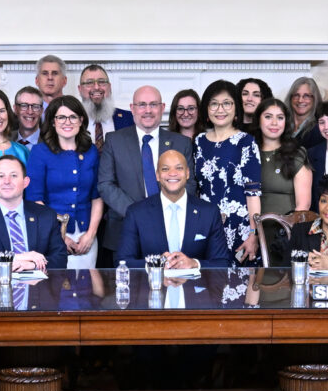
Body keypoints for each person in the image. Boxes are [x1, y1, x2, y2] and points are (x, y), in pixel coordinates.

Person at [98, 85, 195, 259]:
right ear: (132, 108)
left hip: (172, 232)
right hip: (123, 230)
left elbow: (190, 184)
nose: (148, 110)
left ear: (162, 108)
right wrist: (139, 214)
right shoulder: (114, 140)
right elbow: (106, 184)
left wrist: (162, 212)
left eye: (153, 104)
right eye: (142, 105)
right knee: (126, 285)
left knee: (174, 285)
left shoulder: (182, 143)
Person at [117, 149, 231, 268]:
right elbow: (123, 261)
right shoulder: (136, 212)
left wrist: (194, 263)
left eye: (179, 168)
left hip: (195, 286)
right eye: (165, 169)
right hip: (152, 285)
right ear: (157, 175)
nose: (172, 173)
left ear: (187, 173)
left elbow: (222, 262)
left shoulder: (209, 212)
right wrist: (155, 264)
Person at [27, 95, 102, 268]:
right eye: (61, 117)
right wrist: (60, 235)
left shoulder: (91, 151)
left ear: (81, 120)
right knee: (54, 290)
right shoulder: (40, 152)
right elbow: (35, 200)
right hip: (51, 235)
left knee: (87, 288)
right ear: (53, 122)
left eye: (73, 117)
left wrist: (91, 234)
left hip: (86, 236)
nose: (67, 122)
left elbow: (97, 196)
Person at [0, 155, 68, 271]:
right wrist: (15, 258)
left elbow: (60, 258)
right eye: (1, 176)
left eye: (14, 176)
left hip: (38, 286)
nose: (7, 181)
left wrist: (33, 265)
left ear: (25, 182)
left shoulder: (46, 215)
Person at [194, 80, 263, 263]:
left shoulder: (247, 142)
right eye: (214, 103)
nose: (220, 109)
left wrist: (253, 233)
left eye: (227, 103)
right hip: (205, 226)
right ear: (207, 109)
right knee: (205, 284)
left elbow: (253, 194)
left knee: (239, 285)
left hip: (239, 228)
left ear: (236, 109)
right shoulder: (199, 141)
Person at [253, 99, 312, 263]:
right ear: (258, 119)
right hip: (249, 233)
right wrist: (252, 233)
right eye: (268, 116)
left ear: (286, 122)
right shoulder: (248, 151)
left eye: (280, 117)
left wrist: (290, 238)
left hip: (284, 235)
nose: (274, 123)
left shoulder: (296, 153)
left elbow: (303, 206)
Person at [77, 64, 134, 147]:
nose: (96, 87)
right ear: (80, 89)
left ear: (109, 87)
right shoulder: (70, 121)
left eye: (102, 82)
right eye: (89, 82)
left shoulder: (130, 119)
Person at [286, 77, 322, 148]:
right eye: (296, 95)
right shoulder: (282, 124)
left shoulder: (318, 130)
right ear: (290, 98)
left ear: (315, 99)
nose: (300, 100)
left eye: (306, 96)